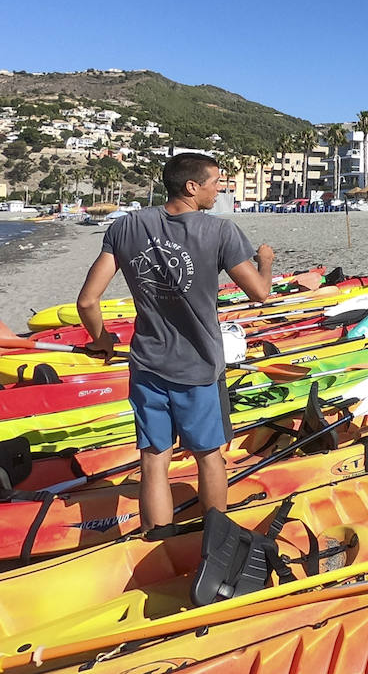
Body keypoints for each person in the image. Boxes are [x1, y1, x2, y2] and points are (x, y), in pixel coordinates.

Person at [76, 152, 274, 531]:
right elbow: (260, 293)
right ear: (192, 187)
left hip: (148, 364)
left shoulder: (126, 227)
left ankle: (159, 540)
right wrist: (264, 259)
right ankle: (214, 536)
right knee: (209, 456)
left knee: (153, 459)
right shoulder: (220, 232)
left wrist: (101, 339)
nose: (221, 188)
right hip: (198, 368)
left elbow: (87, 300)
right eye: (216, 182)